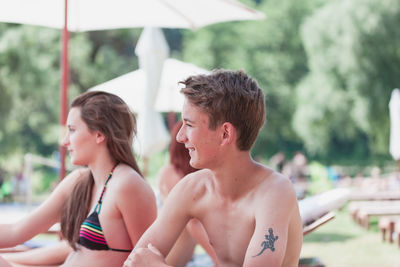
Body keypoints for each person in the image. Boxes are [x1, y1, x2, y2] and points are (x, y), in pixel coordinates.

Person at [124, 69, 303, 267]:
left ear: (225, 133)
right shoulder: (192, 189)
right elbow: (135, 261)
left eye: (189, 125)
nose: (179, 137)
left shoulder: (274, 192)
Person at [0, 91, 157, 267]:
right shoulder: (79, 182)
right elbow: (17, 231)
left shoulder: (127, 184)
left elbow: (149, 259)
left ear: (99, 134)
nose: (64, 141)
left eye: (72, 130)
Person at [157, 120, 218, 267]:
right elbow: (193, 224)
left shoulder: (201, 178)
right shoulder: (171, 173)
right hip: (169, 259)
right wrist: (219, 260)